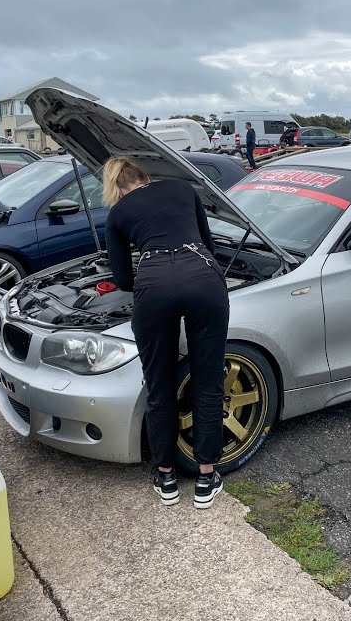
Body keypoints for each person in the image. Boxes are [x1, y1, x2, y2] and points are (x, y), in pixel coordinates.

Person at [103, 157, 229, 510]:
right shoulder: (181, 188)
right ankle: (206, 477)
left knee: (159, 384)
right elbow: (209, 244)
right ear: (145, 176)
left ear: (116, 187)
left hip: (154, 285)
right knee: (208, 381)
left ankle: (167, 476)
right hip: (203, 277)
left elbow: (124, 280)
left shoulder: (117, 214)